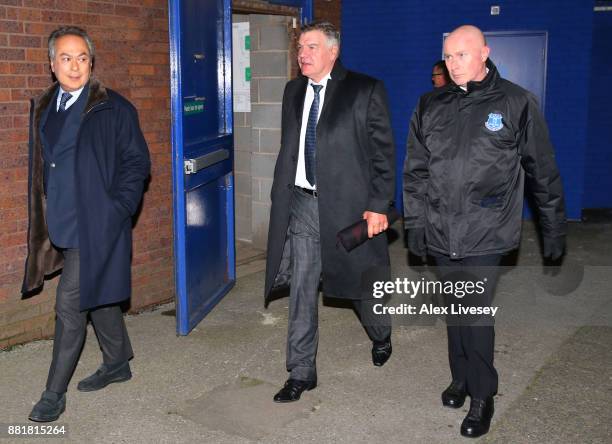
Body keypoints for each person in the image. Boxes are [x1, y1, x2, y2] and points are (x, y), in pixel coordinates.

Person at [403, 25, 566, 438]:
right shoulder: (429, 105)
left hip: (487, 229)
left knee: (474, 315)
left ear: (485, 54)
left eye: (462, 55)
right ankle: (460, 378)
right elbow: (416, 172)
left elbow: (542, 171)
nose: (453, 65)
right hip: (441, 228)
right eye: (448, 57)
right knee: (455, 312)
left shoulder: (516, 102)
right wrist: (416, 224)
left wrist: (553, 230)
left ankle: (482, 394)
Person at [21, 26, 151, 422]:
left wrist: (118, 209)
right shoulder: (44, 106)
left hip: (97, 223)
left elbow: (137, 164)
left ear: (91, 63)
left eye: (82, 58)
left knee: (69, 306)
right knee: (98, 292)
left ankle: (52, 394)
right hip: (59, 221)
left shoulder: (114, 107)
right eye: (65, 57)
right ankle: (117, 362)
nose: (74, 66)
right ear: (51, 64)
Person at [264, 21, 396, 403]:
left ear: (333, 52)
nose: (302, 54)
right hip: (304, 203)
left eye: (311, 47)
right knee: (303, 289)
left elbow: (383, 154)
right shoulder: (293, 91)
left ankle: (380, 333)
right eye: (300, 47)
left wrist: (377, 205)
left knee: (358, 287)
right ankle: (301, 371)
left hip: (349, 210)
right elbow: (290, 148)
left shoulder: (364, 89)